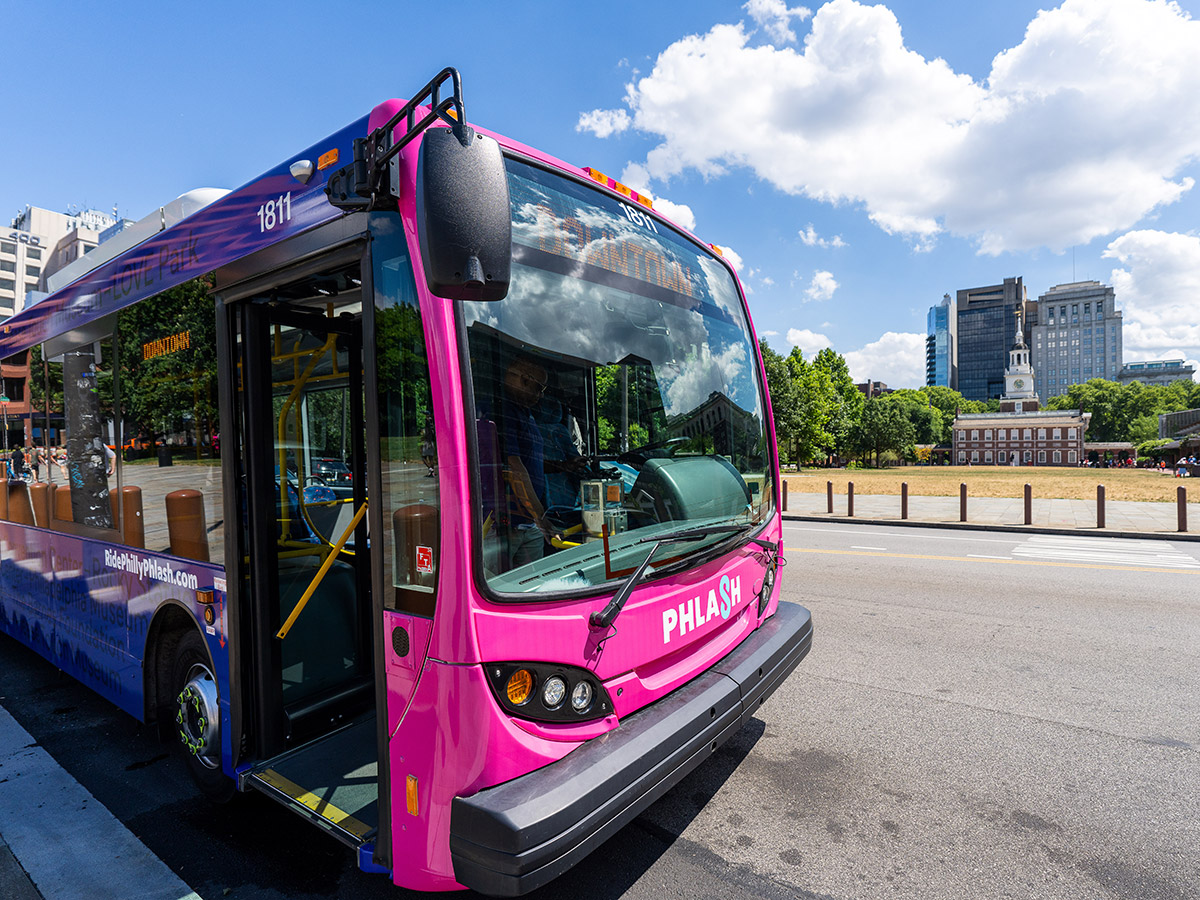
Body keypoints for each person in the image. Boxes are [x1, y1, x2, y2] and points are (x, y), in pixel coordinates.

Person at [499, 356, 557, 566]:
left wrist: (563, 466)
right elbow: (514, 468)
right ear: (524, 379)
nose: (541, 395)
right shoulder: (504, 411)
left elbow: (532, 463)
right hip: (509, 524)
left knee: (532, 585)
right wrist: (541, 518)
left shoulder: (526, 414)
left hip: (529, 522)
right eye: (539, 388)